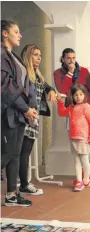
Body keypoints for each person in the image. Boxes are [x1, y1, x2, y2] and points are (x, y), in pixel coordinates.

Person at [1, 20, 38, 207]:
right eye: (16, 31)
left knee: (15, 153)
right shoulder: (1, 55)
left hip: (18, 113)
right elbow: (7, 88)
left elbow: (21, 85)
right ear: (4, 34)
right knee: (7, 153)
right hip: (8, 112)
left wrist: (27, 109)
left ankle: (11, 195)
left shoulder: (11, 55)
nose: (20, 35)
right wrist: (25, 108)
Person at [53, 48, 90, 182]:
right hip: (71, 109)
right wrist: (69, 73)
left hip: (86, 110)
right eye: (68, 58)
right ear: (63, 59)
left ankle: (87, 167)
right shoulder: (57, 73)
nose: (71, 61)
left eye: (73, 58)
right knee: (74, 138)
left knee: (83, 138)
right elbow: (62, 90)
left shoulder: (84, 71)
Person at [18, 44, 58, 195]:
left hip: (33, 119)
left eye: (40, 55)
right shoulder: (23, 73)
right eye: (35, 54)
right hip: (24, 117)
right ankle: (23, 184)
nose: (39, 58)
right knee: (20, 153)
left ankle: (23, 184)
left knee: (24, 153)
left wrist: (52, 90)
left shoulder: (37, 75)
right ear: (28, 56)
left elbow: (47, 86)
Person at [57, 84, 90, 192]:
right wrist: (60, 102)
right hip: (73, 137)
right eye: (76, 95)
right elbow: (61, 113)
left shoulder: (87, 107)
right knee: (76, 160)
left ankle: (86, 180)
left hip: (83, 138)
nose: (78, 97)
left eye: (80, 94)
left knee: (84, 159)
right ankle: (79, 180)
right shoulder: (71, 108)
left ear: (84, 95)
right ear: (72, 96)